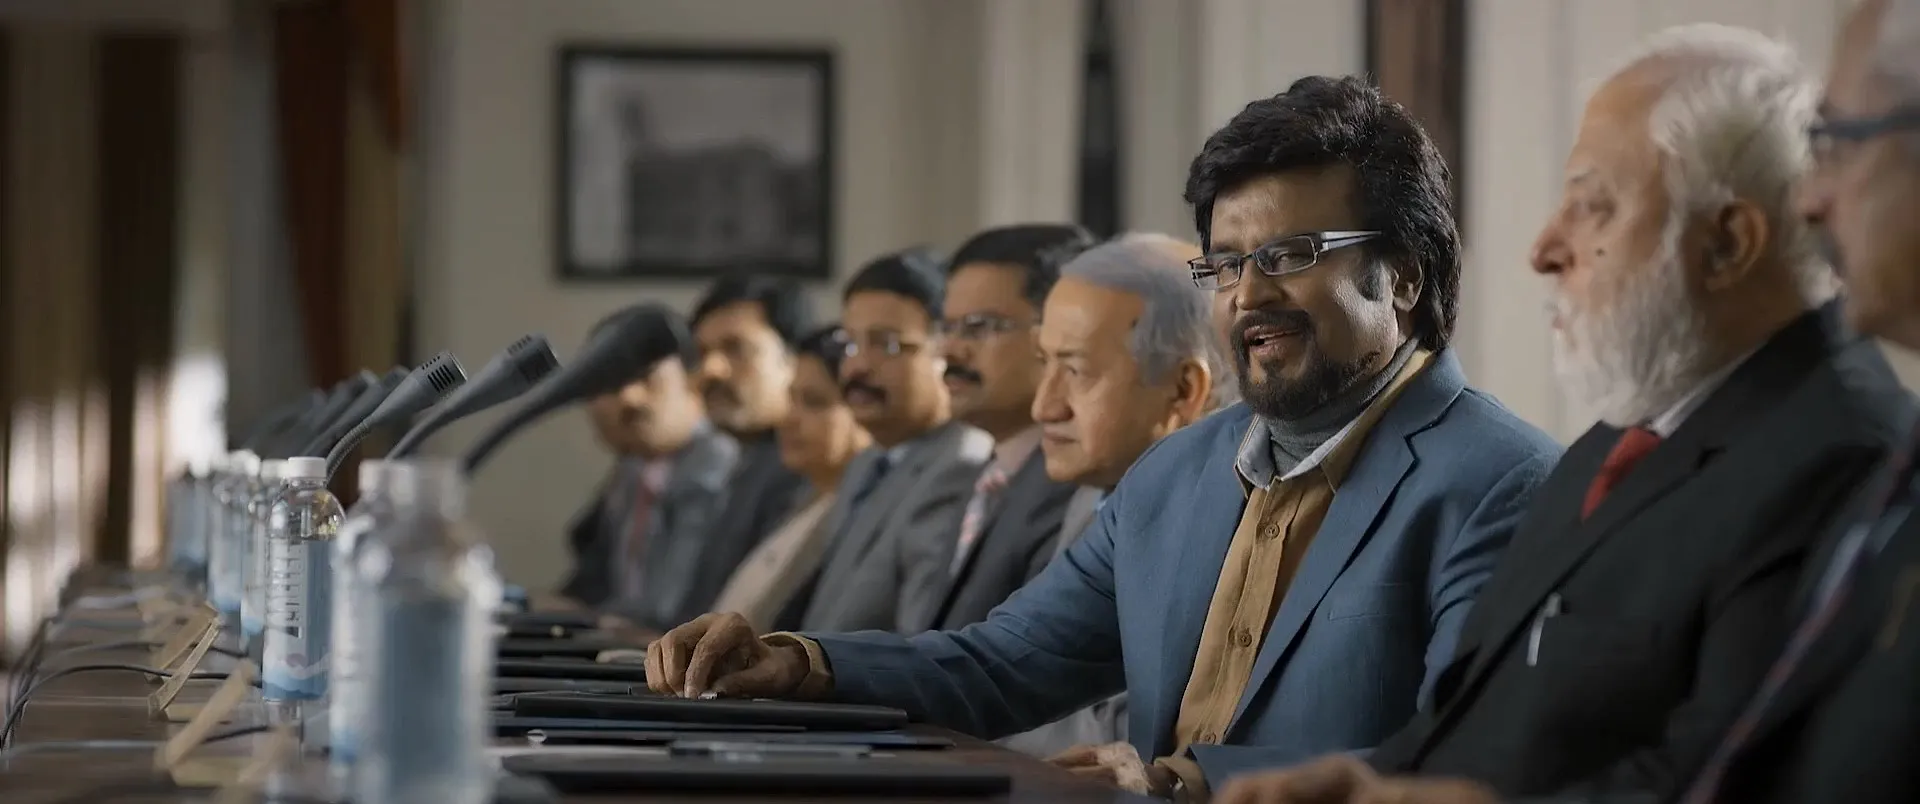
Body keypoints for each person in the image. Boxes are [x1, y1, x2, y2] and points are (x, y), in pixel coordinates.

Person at [645, 76, 1563, 801]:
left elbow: (1461, 754)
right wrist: (797, 663)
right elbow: (1004, 664)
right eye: (1226, 265)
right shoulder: (1178, 471)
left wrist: (1191, 781)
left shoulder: (1506, 482)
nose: (1248, 296)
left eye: (1289, 257)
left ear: (1403, 276)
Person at [1214, 22, 1920, 804]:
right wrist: (1353, 783)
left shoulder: (1839, 451)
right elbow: (1468, 719)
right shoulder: (1618, 442)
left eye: (1592, 206)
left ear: (1726, 244)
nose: (1544, 248)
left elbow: (1717, 778)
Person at [995, 232, 1236, 758]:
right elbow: (1010, 665)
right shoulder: (1096, 489)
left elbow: (1134, 745)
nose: (1043, 406)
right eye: (1044, 362)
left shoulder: (1233, 525)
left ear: (1183, 390)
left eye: (1075, 370)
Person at [896, 223, 1094, 633]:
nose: (951, 349)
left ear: (1056, 333)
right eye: (948, 327)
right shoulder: (987, 475)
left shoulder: (1077, 485)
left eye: (979, 326)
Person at [792, 248, 994, 632]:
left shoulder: (959, 467)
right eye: (850, 343)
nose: (857, 366)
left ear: (946, 352)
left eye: (886, 345)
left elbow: (919, 641)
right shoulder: (869, 462)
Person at [554, 305, 740, 631]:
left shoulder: (719, 468)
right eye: (609, 384)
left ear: (692, 379)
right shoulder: (632, 469)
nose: (630, 398)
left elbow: (666, 612)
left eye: (646, 378)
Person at [670, 275, 816, 626]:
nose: (711, 370)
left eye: (736, 349)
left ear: (795, 360)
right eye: (701, 354)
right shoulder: (747, 462)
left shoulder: (804, 472)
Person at [708, 325, 872, 632]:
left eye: (814, 402)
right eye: (791, 399)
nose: (789, 419)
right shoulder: (800, 500)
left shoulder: (863, 519)